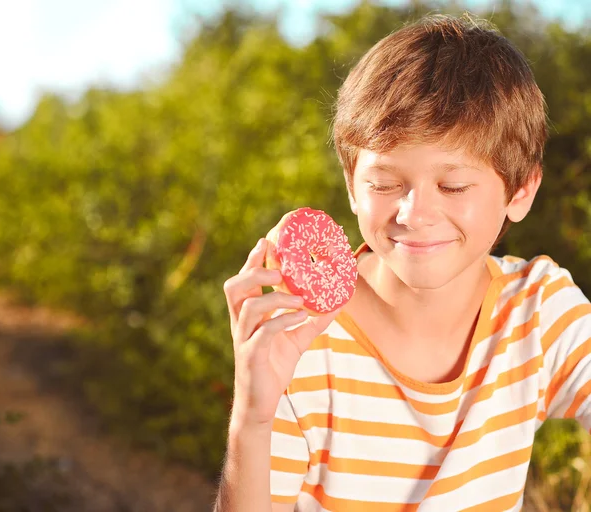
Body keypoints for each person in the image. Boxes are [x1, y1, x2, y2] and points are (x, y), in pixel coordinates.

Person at [214, 13, 591, 511]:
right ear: (351, 185)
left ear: (520, 192)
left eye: (453, 186)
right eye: (385, 183)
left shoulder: (538, 310)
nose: (415, 214)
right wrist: (252, 423)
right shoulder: (299, 344)